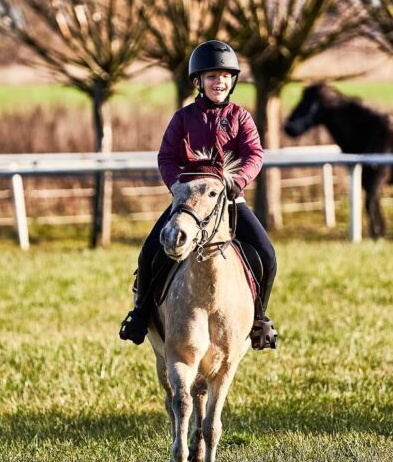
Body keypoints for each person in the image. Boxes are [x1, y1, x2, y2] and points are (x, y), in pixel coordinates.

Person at [118, 39, 279, 350]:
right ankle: (140, 315)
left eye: (224, 76)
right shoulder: (183, 118)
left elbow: (254, 154)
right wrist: (179, 188)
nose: (218, 82)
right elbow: (166, 157)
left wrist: (239, 180)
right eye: (211, 77)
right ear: (198, 82)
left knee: (268, 255)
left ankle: (260, 319)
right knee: (150, 251)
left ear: (232, 81)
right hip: (190, 204)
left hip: (231, 202)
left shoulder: (241, 118)